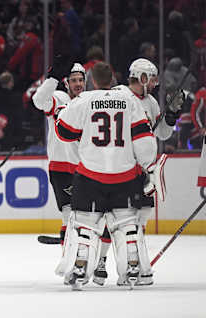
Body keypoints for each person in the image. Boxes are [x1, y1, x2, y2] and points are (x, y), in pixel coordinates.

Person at [55, 62, 157, 290]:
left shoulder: (84, 100)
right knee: (127, 223)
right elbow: (144, 140)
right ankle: (133, 265)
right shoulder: (129, 100)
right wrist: (147, 166)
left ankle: (81, 266)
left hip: (90, 175)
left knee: (86, 225)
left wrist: (62, 113)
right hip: (125, 175)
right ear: (113, 79)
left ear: (91, 80)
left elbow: (64, 133)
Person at [92, 58, 181, 286]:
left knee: (140, 217)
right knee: (114, 219)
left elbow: (160, 134)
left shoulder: (150, 102)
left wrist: (170, 117)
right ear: (141, 77)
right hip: (119, 167)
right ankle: (102, 260)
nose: (154, 83)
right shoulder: (118, 95)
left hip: (142, 169)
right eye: (151, 78)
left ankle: (136, 264)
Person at [32, 63, 86, 247]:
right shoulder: (58, 99)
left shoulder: (88, 101)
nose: (78, 84)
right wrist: (51, 79)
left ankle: (78, 252)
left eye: (81, 80)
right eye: (74, 80)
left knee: (86, 214)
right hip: (61, 165)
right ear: (66, 82)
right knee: (69, 211)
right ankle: (70, 255)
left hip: (86, 165)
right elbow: (38, 101)